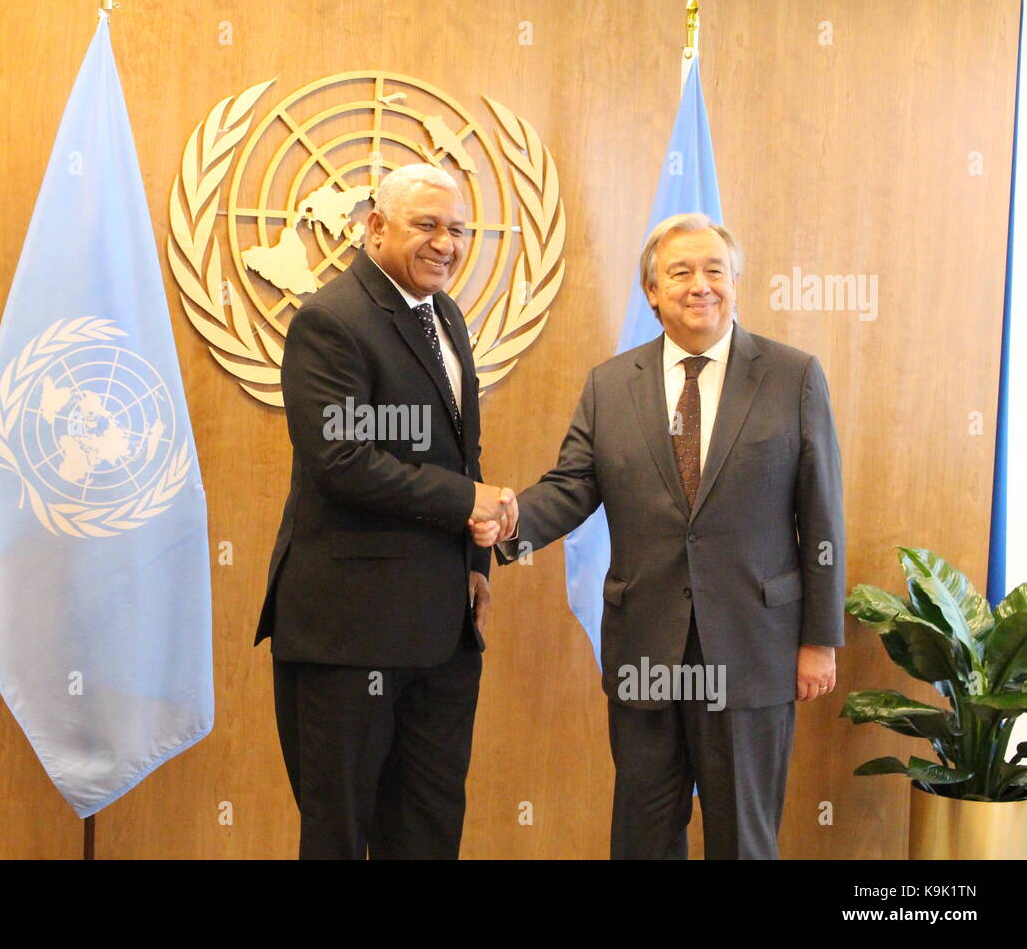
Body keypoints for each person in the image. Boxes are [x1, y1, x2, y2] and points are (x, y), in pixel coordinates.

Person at [475, 213, 844, 859]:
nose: (700, 285)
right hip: (646, 647)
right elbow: (572, 487)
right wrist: (510, 521)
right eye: (681, 272)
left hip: (754, 651)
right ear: (652, 291)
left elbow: (822, 519)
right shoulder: (612, 385)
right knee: (643, 835)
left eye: (714, 271)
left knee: (743, 839)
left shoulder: (793, 377)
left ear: (735, 283)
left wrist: (820, 640)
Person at [255, 163, 517, 859]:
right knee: (341, 834)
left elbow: (463, 454)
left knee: (428, 831)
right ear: (374, 227)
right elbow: (343, 462)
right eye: (426, 225)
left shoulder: (447, 316)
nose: (446, 244)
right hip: (350, 634)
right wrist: (468, 503)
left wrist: (477, 562)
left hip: (443, 632)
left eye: (459, 230)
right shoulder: (330, 319)